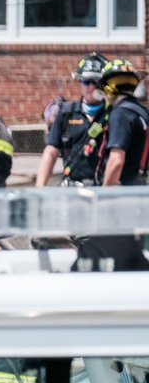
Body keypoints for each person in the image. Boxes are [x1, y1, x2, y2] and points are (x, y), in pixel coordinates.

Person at [78, 58, 149, 271]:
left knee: (89, 245)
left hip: (121, 194)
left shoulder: (121, 113)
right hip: (138, 188)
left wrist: (104, 197)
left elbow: (116, 160)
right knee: (128, 252)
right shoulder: (141, 112)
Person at [36, 54, 108, 187]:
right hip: (73, 189)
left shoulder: (112, 114)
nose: (90, 87)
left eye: (95, 82)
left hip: (103, 188)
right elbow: (51, 152)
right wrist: (39, 189)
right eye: (86, 82)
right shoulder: (66, 113)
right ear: (80, 82)